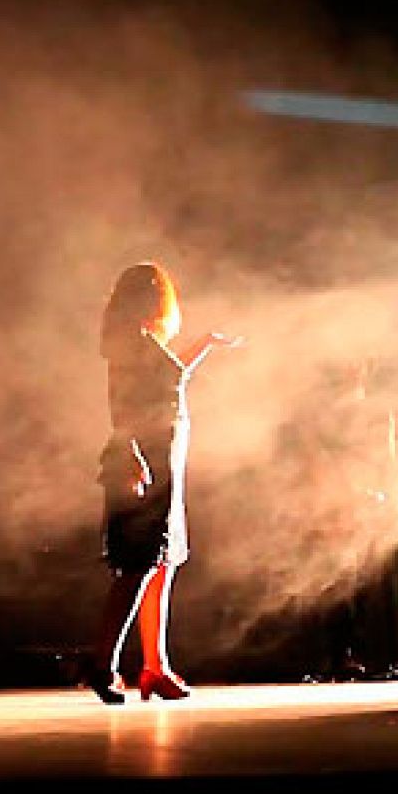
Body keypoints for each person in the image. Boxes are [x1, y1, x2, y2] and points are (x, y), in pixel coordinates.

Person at [80, 261, 240, 705]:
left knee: (162, 561)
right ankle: (104, 664)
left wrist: (206, 343)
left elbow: (173, 375)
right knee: (139, 563)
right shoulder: (128, 343)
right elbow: (124, 404)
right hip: (146, 457)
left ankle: (155, 666)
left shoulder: (144, 341)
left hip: (164, 457)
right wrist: (128, 451)